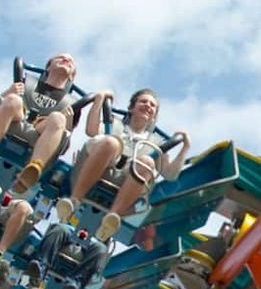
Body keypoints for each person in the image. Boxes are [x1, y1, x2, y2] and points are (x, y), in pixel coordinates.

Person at [54, 88, 191, 241]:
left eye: (152, 105)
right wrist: (99, 100)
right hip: (95, 171)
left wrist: (185, 148)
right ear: (132, 108)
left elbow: (170, 175)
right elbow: (91, 131)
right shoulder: (114, 124)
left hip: (126, 186)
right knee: (111, 142)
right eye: (143, 101)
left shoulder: (157, 144)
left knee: (147, 161)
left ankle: (112, 218)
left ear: (154, 117)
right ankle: (74, 200)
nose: (148, 105)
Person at [0, 53, 78, 191]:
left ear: (71, 77)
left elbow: (64, 144)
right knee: (13, 100)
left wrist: (67, 124)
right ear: (48, 67)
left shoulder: (72, 104)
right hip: (15, 122)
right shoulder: (25, 83)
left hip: (41, 135)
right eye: (60, 57)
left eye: (70, 62)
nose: (66, 60)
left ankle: (34, 168)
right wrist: (8, 93)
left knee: (58, 118)